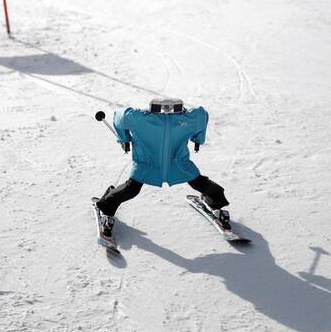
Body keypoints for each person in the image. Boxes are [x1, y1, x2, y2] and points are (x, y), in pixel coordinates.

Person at [95, 98, 230, 238]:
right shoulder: (184, 118)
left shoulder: (141, 118)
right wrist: (198, 139)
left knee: (197, 182)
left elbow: (119, 116)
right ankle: (106, 207)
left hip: (172, 163)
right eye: (163, 109)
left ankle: (215, 202)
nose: (167, 112)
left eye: (170, 109)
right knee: (133, 189)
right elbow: (202, 115)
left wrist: (125, 139)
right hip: (155, 163)